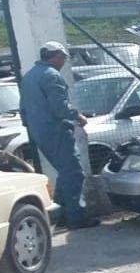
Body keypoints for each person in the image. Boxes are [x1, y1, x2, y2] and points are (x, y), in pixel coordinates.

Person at [19, 41, 94, 228]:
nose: (63, 62)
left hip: (40, 132)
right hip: (56, 130)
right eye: (63, 58)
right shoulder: (51, 76)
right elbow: (59, 107)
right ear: (57, 57)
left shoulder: (29, 77)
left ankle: (59, 214)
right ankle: (76, 217)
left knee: (65, 171)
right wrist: (78, 116)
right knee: (74, 172)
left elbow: (23, 109)